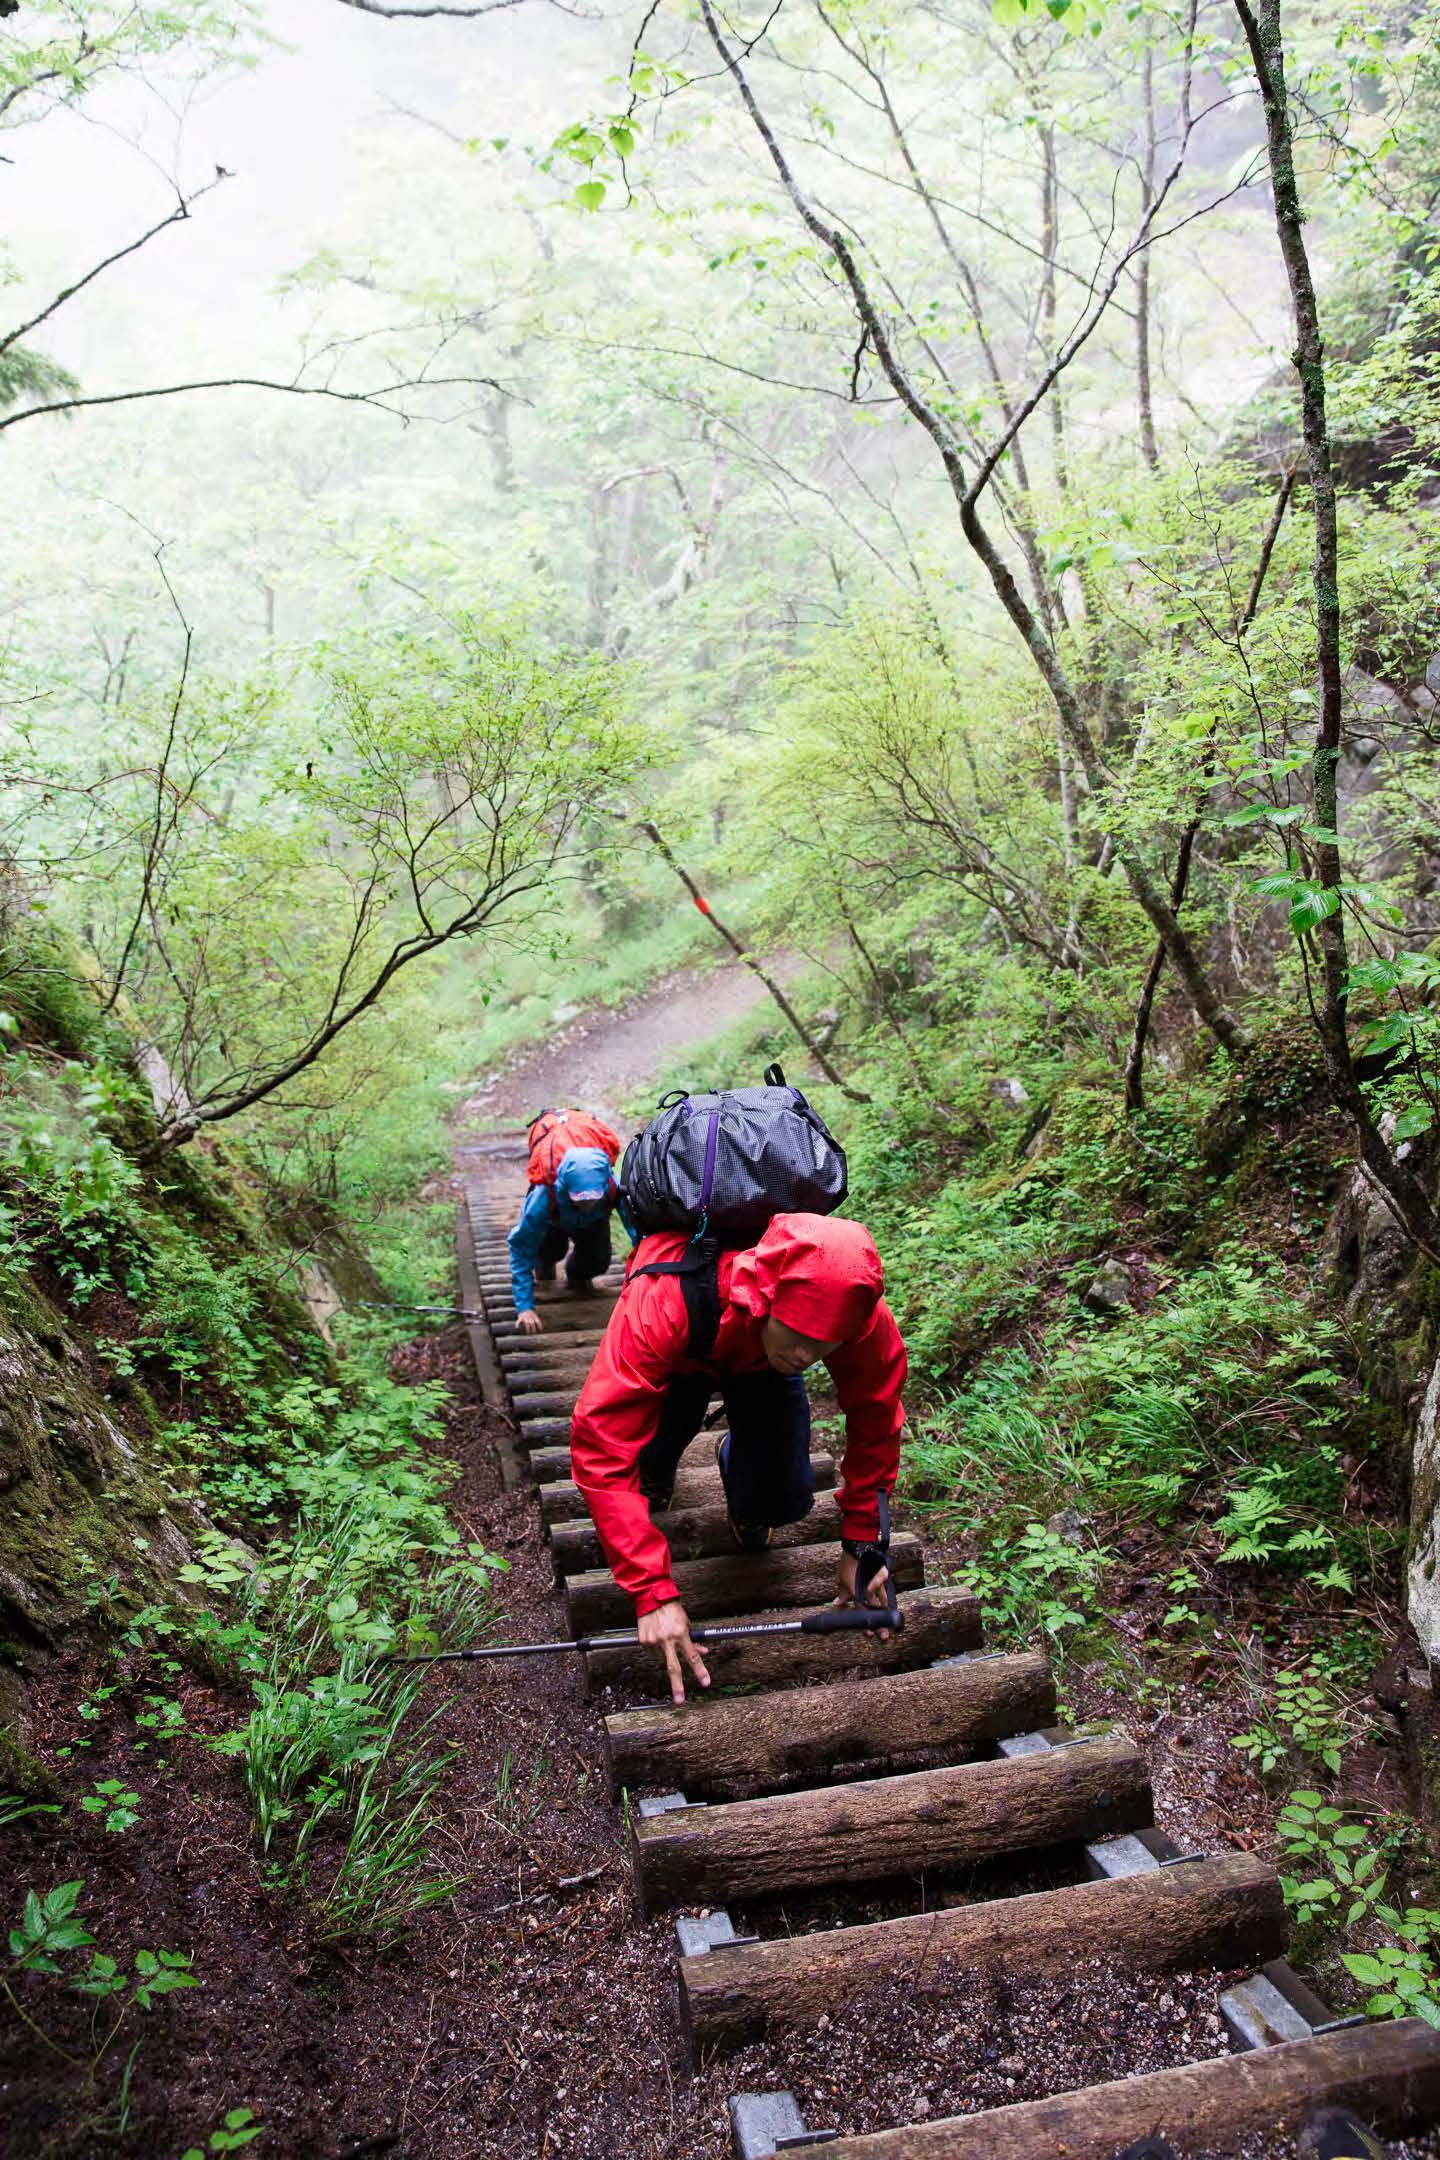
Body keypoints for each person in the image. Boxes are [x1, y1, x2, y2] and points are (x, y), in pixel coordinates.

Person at [570, 1212, 906, 1703]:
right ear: (766, 1294)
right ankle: (659, 1469)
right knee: (645, 1461)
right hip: (682, 1351)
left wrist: (862, 1543)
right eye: (801, 1335)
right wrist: (652, 1593)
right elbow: (600, 1441)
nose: (809, 1355)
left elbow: (877, 1417)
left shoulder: (855, 1313)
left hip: (758, 1356)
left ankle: (738, 1465)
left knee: (781, 1502)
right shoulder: (663, 1295)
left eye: (823, 1345)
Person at [508, 1111, 624, 1337]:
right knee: (548, 1248)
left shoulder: (612, 1186)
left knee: (597, 1261)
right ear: (565, 1187)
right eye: (581, 1199)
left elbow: (639, 1234)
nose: (588, 1204)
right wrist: (524, 1307)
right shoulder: (544, 1195)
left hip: (593, 1223)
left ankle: (579, 1275)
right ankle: (544, 1267)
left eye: (593, 1198)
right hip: (555, 1218)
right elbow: (521, 1247)